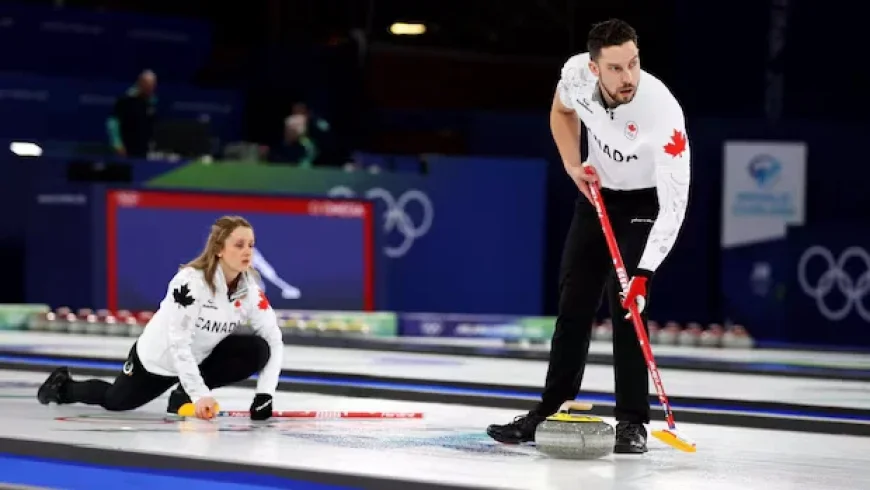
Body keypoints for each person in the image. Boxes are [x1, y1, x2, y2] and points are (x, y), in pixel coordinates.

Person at [486, 19, 691, 453]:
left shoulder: (663, 112)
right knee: (573, 302)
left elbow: (675, 206)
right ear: (595, 68)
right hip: (598, 196)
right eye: (616, 68)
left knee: (627, 308)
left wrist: (644, 273)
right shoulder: (576, 75)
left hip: (646, 203)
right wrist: (572, 165)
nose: (628, 76)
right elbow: (561, 112)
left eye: (633, 63)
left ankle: (632, 422)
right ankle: (549, 412)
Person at [37, 216, 285, 421]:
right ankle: (62, 387)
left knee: (258, 349)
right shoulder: (189, 283)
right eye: (239, 245)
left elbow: (273, 338)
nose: (247, 251)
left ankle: (181, 395)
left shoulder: (251, 292)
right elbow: (179, 342)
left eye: (251, 245)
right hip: (158, 360)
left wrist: (264, 395)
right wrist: (199, 395)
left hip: (200, 359)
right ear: (219, 249)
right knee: (116, 401)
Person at [106, 70, 157, 158]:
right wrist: (117, 144)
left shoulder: (151, 102)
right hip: (126, 148)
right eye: (147, 85)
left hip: (143, 149)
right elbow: (112, 122)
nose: (150, 88)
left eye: (152, 85)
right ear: (140, 83)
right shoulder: (126, 100)